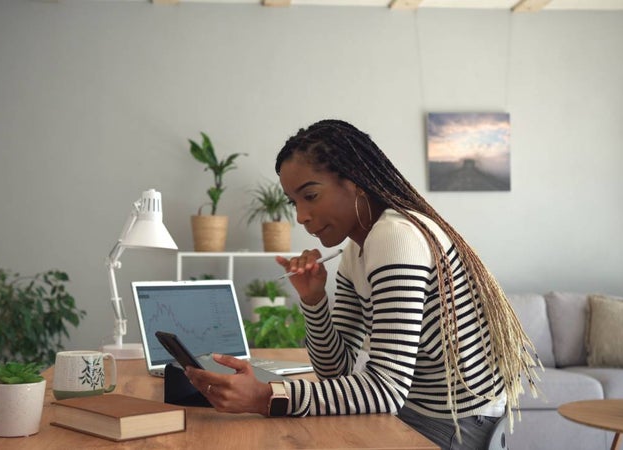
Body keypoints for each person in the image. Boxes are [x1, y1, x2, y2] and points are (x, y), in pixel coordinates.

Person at [184, 119, 540, 449]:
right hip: (424, 411)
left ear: (353, 182)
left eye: (310, 196)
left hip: (459, 425)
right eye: (294, 202)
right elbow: (335, 369)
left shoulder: (395, 236)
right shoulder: (357, 249)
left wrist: (267, 397)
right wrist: (313, 301)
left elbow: (385, 389)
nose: (301, 217)